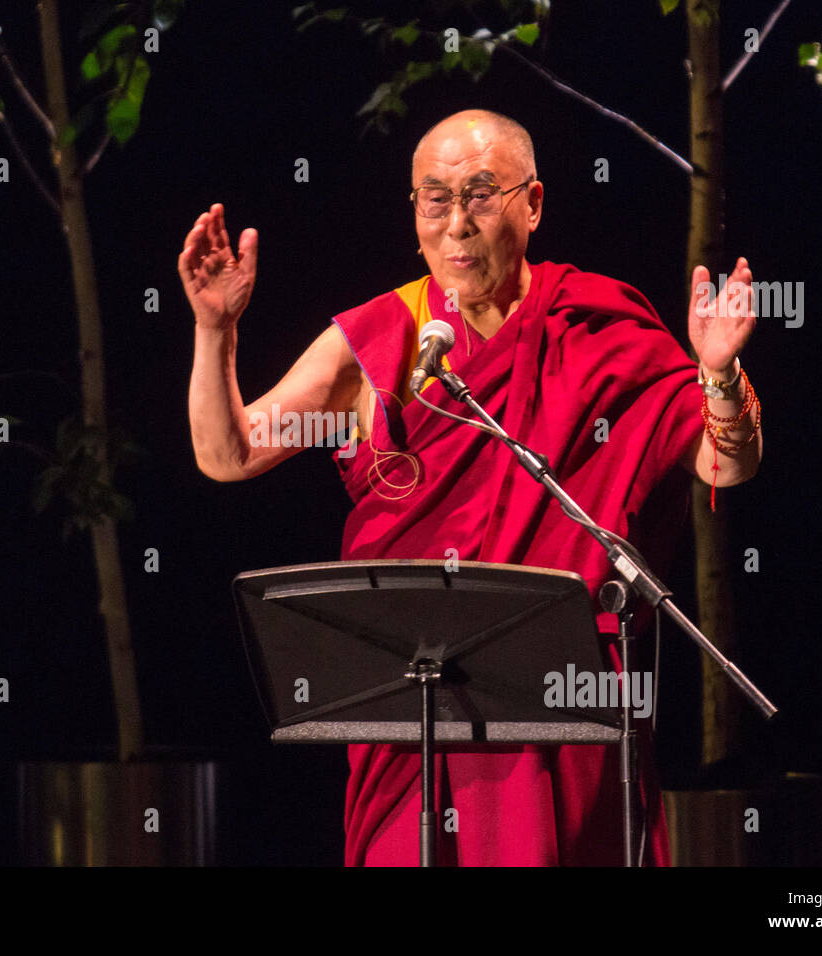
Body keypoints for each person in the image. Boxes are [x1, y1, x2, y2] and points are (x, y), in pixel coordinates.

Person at [180, 109, 762, 866]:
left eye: (481, 195)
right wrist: (214, 332)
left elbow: (727, 463)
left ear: (534, 203)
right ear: (414, 213)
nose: (456, 223)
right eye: (435, 198)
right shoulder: (379, 339)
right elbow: (231, 454)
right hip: (411, 721)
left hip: (564, 716)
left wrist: (718, 372)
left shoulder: (599, 329)